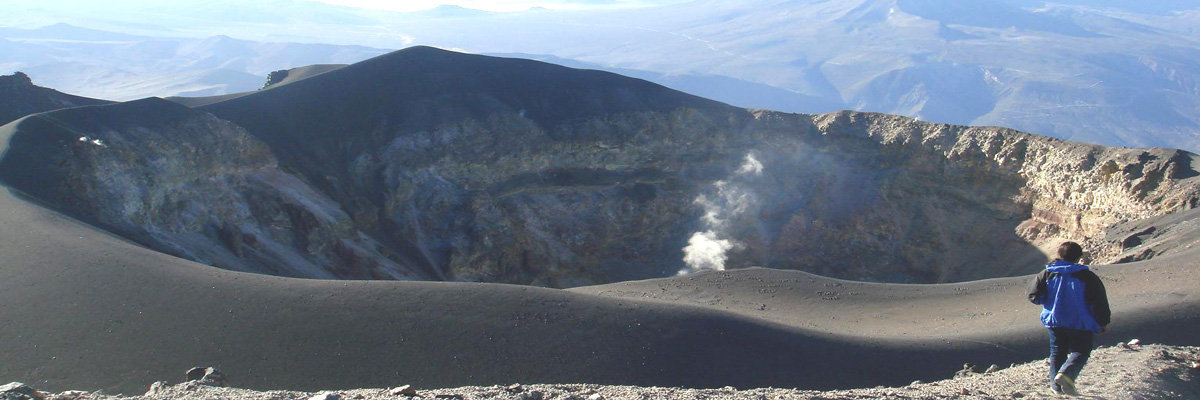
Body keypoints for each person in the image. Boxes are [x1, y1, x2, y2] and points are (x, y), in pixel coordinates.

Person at [1027, 241, 1111, 395]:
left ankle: (1056, 387)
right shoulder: (1087, 276)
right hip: (1080, 321)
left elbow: (1033, 295)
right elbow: (1099, 300)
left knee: (1057, 352)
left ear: (1059, 254)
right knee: (1081, 351)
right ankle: (1066, 374)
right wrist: (1103, 322)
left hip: (1055, 320)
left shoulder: (1047, 273)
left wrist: (1049, 302)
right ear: (1079, 257)